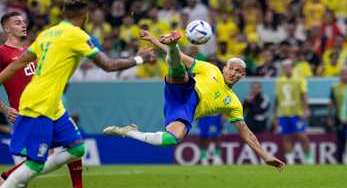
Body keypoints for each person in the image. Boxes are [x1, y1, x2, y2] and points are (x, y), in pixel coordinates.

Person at [0, 0, 155, 188]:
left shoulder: (48, 33)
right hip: (38, 104)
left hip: (53, 104)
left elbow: (19, 64)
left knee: (77, 148)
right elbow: (108, 65)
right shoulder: (78, 35)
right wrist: (139, 58)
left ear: (63, 12)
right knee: (34, 164)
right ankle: (7, 182)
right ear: (86, 16)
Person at [104, 30, 285, 171]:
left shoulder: (233, 103)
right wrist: (154, 40)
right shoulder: (211, 69)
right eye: (231, 69)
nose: (233, 73)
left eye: (239, 72)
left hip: (184, 112)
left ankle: (128, 132)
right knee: (180, 70)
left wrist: (264, 155)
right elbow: (182, 58)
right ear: (224, 69)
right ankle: (174, 43)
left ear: (243, 75)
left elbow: (246, 133)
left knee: (170, 139)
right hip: (186, 92)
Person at [0, 11, 86, 188]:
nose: (23, 25)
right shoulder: (2, 53)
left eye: (23, 22)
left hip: (50, 107)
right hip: (28, 113)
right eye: (17, 23)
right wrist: (5, 109)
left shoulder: (30, 51)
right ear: (6, 28)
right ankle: (7, 178)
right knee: (38, 160)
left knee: (73, 146)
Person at [272, 60, 313, 165]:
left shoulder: (299, 80)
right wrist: (274, 114)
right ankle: (290, 160)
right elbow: (276, 99)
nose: (287, 68)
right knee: (286, 137)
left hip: (297, 113)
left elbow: (304, 95)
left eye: (289, 66)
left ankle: (309, 159)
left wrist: (306, 109)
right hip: (284, 113)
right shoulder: (279, 81)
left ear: (292, 68)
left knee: (302, 136)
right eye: (285, 67)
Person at [327, 66, 347, 164]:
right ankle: (340, 162)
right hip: (339, 118)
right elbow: (331, 103)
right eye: (343, 74)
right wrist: (330, 117)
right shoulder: (335, 87)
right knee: (340, 141)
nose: (344, 76)